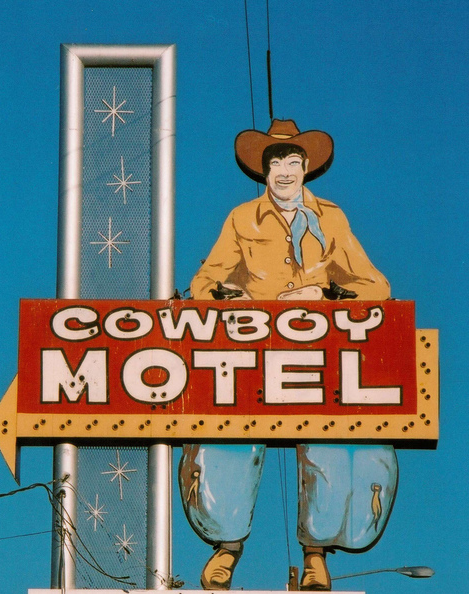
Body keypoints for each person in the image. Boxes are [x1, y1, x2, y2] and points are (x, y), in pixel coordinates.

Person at [178, 119, 398, 591]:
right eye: (275, 162)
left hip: (319, 351)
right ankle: (226, 548)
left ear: (305, 167)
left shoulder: (331, 218)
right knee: (228, 440)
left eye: (292, 162)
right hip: (251, 350)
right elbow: (204, 282)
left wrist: (327, 293)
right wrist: (232, 297)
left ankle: (316, 556)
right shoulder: (242, 218)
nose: (283, 171)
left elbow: (375, 285)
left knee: (329, 444)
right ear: (263, 169)